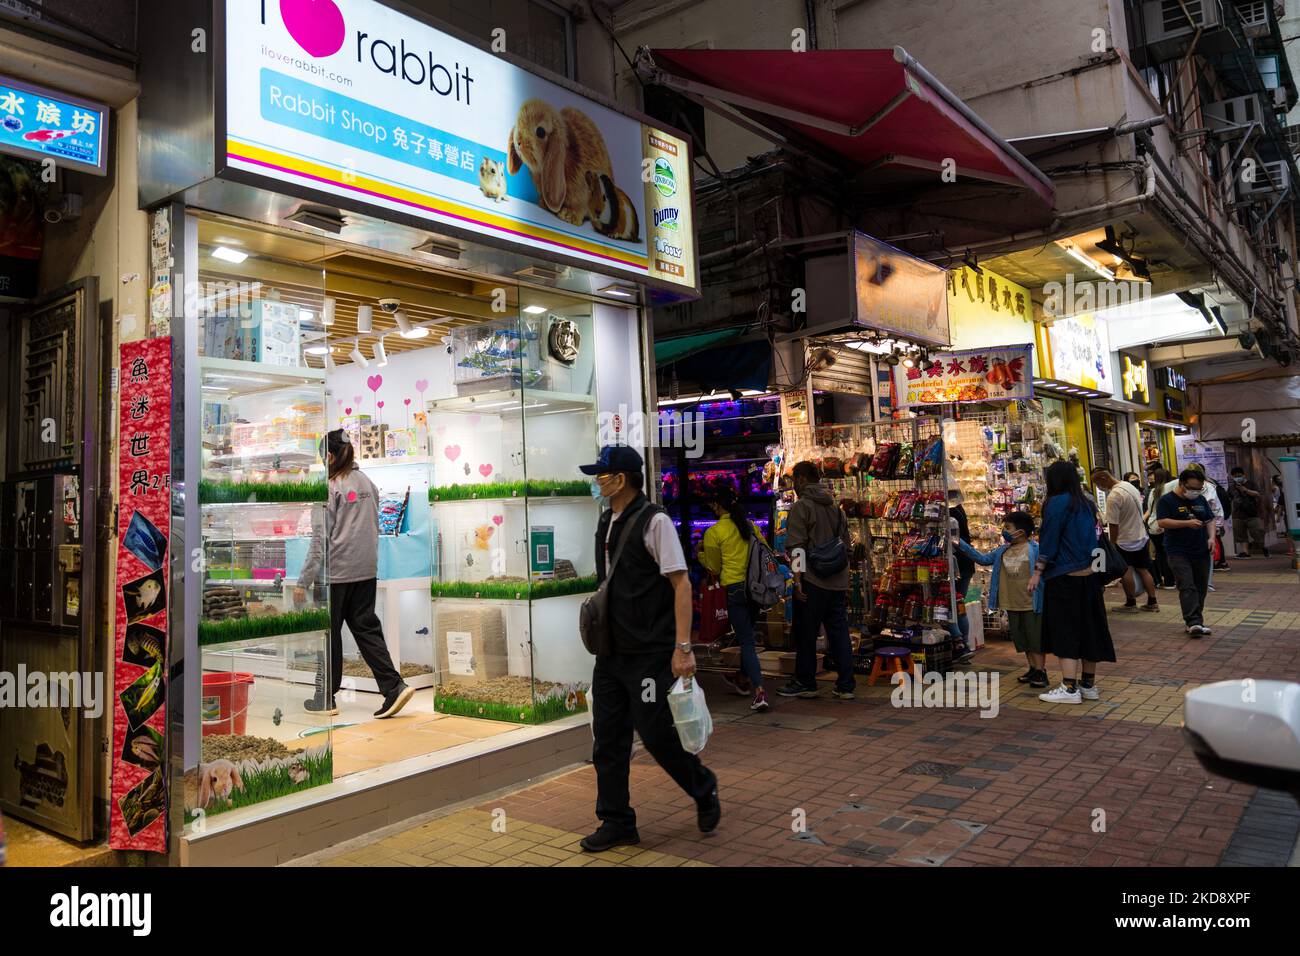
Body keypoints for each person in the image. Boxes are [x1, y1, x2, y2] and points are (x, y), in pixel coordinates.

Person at [579, 445, 720, 852]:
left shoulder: (654, 521)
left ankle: (702, 786)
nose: (596, 481)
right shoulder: (606, 520)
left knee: (657, 734)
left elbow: (681, 584)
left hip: (648, 654)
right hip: (609, 653)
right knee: (607, 739)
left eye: (601, 475)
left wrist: (683, 648)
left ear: (620, 480)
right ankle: (617, 820)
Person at [297, 430, 414, 719]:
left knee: (328, 634)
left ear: (329, 456)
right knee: (366, 629)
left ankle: (325, 697)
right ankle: (394, 687)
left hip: (335, 575)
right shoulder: (368, 483)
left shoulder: (329, 487)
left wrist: (303, 581)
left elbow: (319, 541)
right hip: (365, 572)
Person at [1028, 461, 1116, 704]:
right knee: (1091, 630)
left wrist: (1037, 571)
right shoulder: (1086, 503)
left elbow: (1050, 540)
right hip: (1090, 577)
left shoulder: (1056, 503)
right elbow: (1097, 540)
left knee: (1066, 631)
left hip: (1064, 577)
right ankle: (1088, 684)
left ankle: (1069, 688)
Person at [779, 461, 855, 701]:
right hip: (837, 580)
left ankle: (806, 682)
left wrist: (798, 579)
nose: (793, 486)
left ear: (801, 479)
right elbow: (846, 544)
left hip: (812, 581)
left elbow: (797, 546)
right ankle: (845, 685)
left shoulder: (802, 507)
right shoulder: (836, 507)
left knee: (806, 633)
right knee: (839, 632)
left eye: (794, 481)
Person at [954, 511, 1046, 687]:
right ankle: (1033, 668)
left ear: (1020, 531)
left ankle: (1041, 672)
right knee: (1023, 640)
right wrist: (960, 543)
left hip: (1031, 604)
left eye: (1008, 527)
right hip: (1012, 603)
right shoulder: (1003, 550)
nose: (1004, 531)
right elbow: (982, 559)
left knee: (1035, 640)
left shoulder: (1035, 549)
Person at [698, 487, 770, 713]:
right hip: (756, 590)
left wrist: (699, 552)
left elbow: (714, 567)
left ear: (718, 506)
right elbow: (766, 552)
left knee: (746, 640)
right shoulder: (751, 527)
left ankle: (759, 692)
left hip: (735, 590)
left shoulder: (714, 533)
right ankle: (741, 677)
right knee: (745, 635)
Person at [1157, 468, 1217, 638]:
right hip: (1177, 551)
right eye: (1193, 488)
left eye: (1199, 488)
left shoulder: (1201, 499)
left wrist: (1211, 538)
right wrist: (1187, 523)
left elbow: (1210, 519)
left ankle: (1197, 620)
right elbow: (1162, 522)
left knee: (1200, 587)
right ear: (1182, 484)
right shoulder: (1166, 500)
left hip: (1201, 550)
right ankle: (1193, 622)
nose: (1195, 492)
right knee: (1187, 585)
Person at [1092, 467, 1159, 613]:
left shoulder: (1114, 496)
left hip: (1125, 539)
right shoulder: (1128, 486)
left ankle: (1131, 603)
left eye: (1097, 482)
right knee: (1143, 569)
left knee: (1125, 570)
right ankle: (1153, 601)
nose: (1098, 486)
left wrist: (1112, 544)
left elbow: (1113, 525)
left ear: (1104, 478)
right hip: (1141, 535)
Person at [948, 489, 976, 657]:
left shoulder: (949, 512)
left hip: (955, 564)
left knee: (948, 605)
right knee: (958, 605)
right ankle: (964, 643)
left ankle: (959, 643)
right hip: (965, 563)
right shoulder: (959, 509)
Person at [1145, 466, 1178, 589]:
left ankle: (1163, 580)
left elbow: (1149, 509)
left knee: (1159, 554)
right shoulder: (1169, 487)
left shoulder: (1153, 491)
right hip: (1165, 524)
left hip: (1153, 525)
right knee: (1168, 553)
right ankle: (1170, 580)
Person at [1227, 466, 1269, 558]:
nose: (1237, 477)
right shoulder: (1231, 488)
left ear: (1243, 475)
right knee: (1241, 534)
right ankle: (1245, 552)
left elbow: (1257, 494)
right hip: (1237, 514)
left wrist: (1245, 490)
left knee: (1257, 532)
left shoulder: (1251, 484)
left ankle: (1263, 547)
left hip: (1252, 513)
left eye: (1239, 475)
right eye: (1235, 476)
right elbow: (1229, 499)